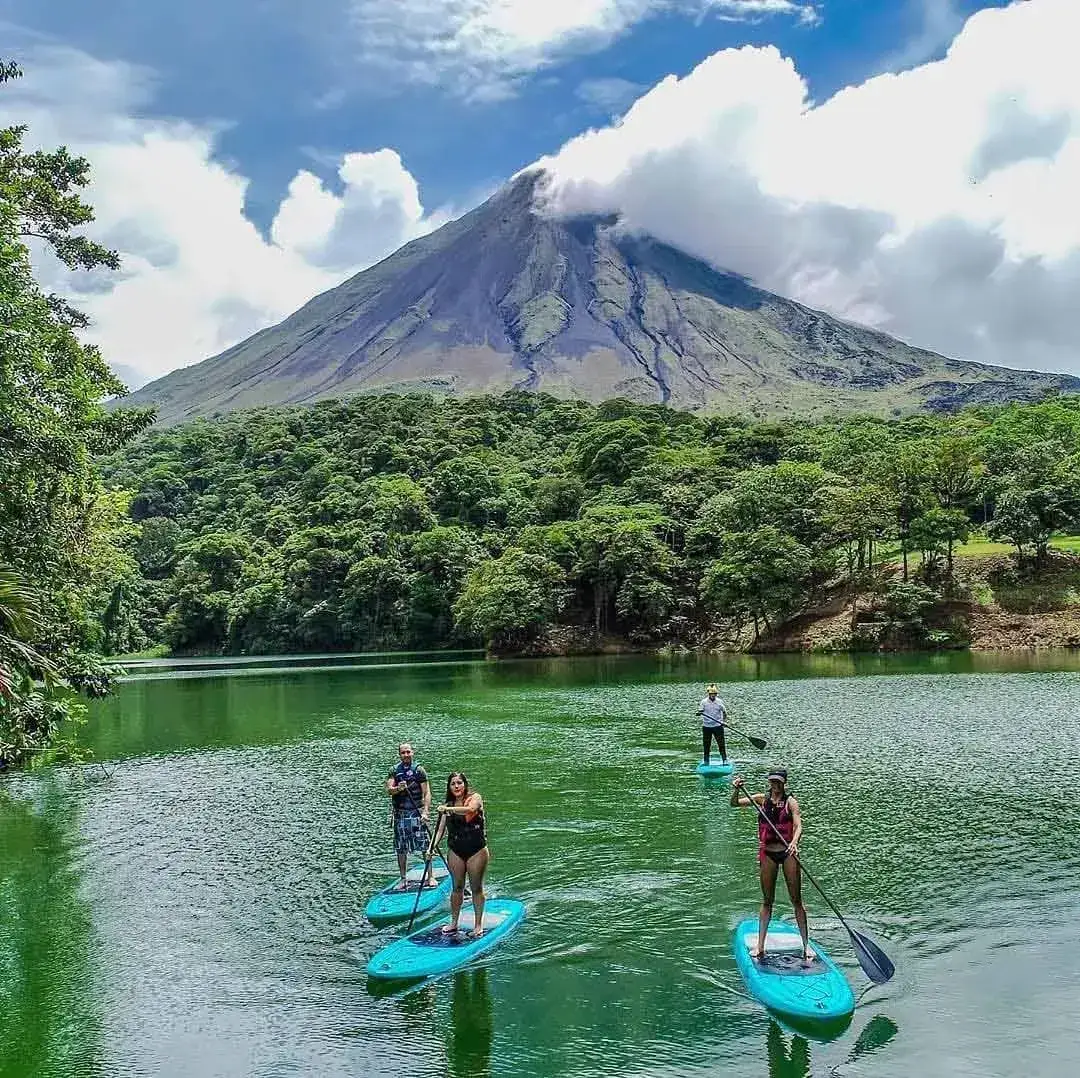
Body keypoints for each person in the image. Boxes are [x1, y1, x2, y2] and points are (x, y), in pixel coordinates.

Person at [731, 768, 809, 964]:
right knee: (767, 900)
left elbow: (799, 825)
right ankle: (760, 946)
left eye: (778, 782)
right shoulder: (760, 799)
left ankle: (806, 945)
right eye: (772, 781)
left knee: (796, 900)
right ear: (769, 782)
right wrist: (737, 790)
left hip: (787, 852)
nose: (775, 785)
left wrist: (794, 842)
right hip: (768, 853)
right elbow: (734, 804)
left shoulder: (791, 802)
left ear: (784, 783)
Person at [431, 771, 489, 938]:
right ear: (449, 787)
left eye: (459, 783)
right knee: (457, 887)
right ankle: (454, 923)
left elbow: (470, 810)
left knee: (476, 887)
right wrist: (431, 848)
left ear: (465, 785)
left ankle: (478, 925)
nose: (456, 786)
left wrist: (447, 809)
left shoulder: (474, 798)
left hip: (476, 850)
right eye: (453, 784)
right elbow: (440, 830)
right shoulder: (447, 805)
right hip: (456, 850)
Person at [385, 742, 434, 890]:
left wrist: (426, 811)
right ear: (399, 755)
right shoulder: (394, 770)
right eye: (403, 753)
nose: (406, 755)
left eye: (408, 752)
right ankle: (403, 878)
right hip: (400, 814)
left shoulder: (419, 770)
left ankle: (430, 876)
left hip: (416, 812)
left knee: (425, 845)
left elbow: (427, 793)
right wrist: (397, 789)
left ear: (412, 752)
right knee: (401, 848)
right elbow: (389, 789)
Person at [696, 683, 728, 765]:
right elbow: (701, 711)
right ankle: (706, 761)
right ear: (709, 694)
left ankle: (724, 760)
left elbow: (724, 713)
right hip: (707, 726)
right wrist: (699, 713)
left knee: (721, 744)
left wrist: (723, 721)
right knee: (706, 745)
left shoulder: (720, 702)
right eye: (711, 694)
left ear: (716, 694)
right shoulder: (703, 702)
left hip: (718, 726)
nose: (713, 695)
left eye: (714, 694)